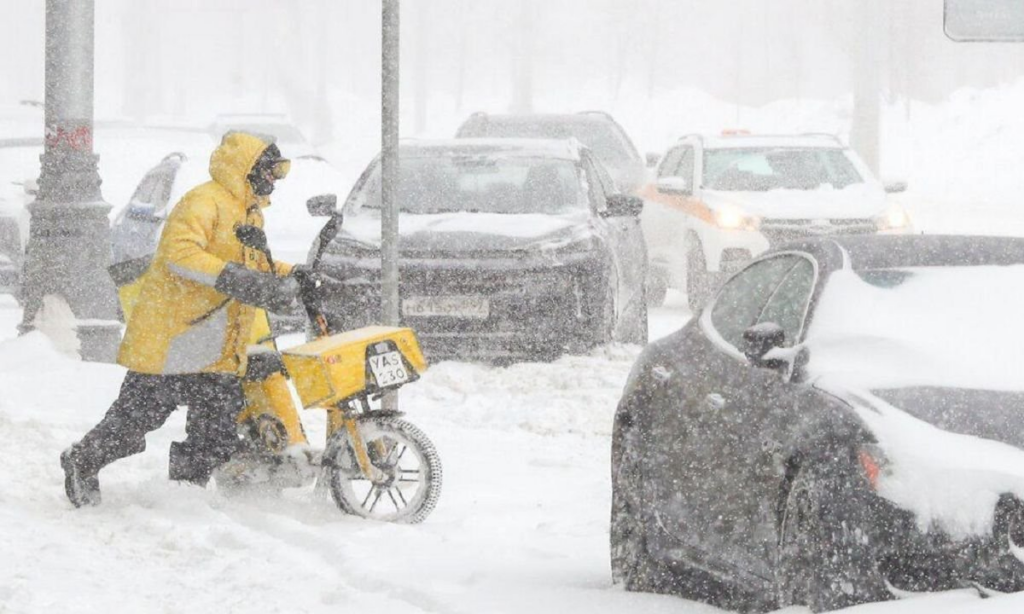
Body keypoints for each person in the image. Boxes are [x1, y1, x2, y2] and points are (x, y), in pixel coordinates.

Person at [60, 131, 300, 507]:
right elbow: (180, 254)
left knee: (215, 435)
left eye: (280, 171)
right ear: (247, 168)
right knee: (131, 426)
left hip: (215, 347)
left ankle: (184, 497)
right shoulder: (203, 202)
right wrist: (235, 278)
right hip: (171, 342)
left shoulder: (249, 212)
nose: (275, 179)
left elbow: (251, 266)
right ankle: (82, 459)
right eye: (271, 170)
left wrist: (293, 275)